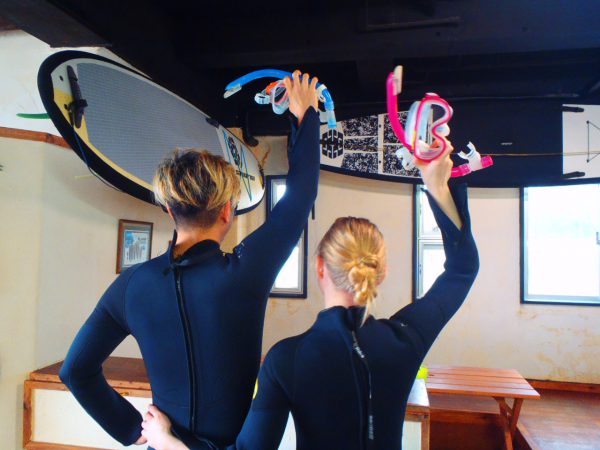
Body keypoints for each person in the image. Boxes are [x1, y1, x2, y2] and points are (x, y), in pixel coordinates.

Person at [141, 141, 480, 450]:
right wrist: (437, 186)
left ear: (319, 267)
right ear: (382, 272)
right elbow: (462, 269)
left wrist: (164, 441)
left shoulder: (285, 360)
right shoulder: (407, 338)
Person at [59, 71, 321, 449]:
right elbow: (299, 198)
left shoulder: (131, 286)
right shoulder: (246, 270)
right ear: (227, 211)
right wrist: (305, 115)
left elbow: (76, 371)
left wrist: (132, 429)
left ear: (169, 210)